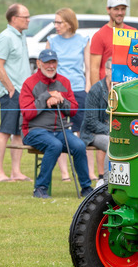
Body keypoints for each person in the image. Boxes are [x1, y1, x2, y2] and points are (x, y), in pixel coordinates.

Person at [21, 49, 93, 199]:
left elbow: (73, 110)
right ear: (39, 63)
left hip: (61, 129)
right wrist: (47, 97)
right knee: (54, 145)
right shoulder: (29, 83)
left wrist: (61, 100)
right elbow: (27, 113)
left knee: (79, 146)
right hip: (34, 130)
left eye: (53, 62)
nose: (50, 66)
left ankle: (86, 188)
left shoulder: (64, 82)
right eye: (47, 62)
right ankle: (40, 188)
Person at [47, 8, 89, 182]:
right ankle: (64, 172)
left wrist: (87, 88)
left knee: (79, 130)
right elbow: (48, 69)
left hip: (78, 89)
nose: (56, 26)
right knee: (60, 130)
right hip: (58, 90)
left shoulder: (83, 40)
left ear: (70, 23)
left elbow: (88, 66)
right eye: (54, 22)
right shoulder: (51, 41)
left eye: (59, 22)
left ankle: (83, 171)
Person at [0, 4, 33, 182]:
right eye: (25, 17)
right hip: (11, 93)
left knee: (18, 133)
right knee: (5, 131)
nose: (28, 20)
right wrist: (10, 88)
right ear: (14, 19)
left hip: (22, 93)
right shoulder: (6, 37)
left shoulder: (21, 36)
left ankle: (16, 172)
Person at [87, 0, 134, 90]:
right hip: (107, 88)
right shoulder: (99, 36)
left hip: (128, 87)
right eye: (116, 9)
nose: (120, 12)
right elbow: (94, 68)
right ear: (108, 10)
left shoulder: (133, 33)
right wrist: (97, 92)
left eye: (123, 9)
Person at [81, 56, 113, 187]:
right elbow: (90, 121)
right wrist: (110, 131)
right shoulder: (96, 89)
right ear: (106, 71)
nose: (115, 73)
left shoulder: (122, 90)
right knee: (112, 144)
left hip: (112, 132)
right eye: (113, 70)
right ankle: (106, 183)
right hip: (91, 133)